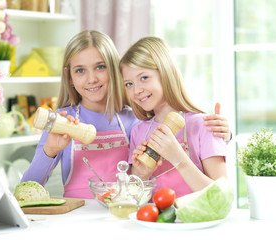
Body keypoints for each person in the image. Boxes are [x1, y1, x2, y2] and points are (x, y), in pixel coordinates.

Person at [21, 30, 230, 199]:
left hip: (121, 214)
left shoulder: (135, 120)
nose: (91, 78)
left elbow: (139, 182)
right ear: (69, 77)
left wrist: (222, 135)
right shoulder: (61, 120)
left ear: (114, 71)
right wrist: (50, 150)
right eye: (80, 70)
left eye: (100, 67)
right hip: (77, 214)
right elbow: (26, 189)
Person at [120, 36, 228, 198]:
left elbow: (222, 196)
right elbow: (133, 198)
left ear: (166, 73)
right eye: (129, 84)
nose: (136, 91)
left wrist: (178, 158)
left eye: (144, 78)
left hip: (196, 222)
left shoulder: (204, 125)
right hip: (153, 222)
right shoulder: (138, 132)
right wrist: (141, 174)